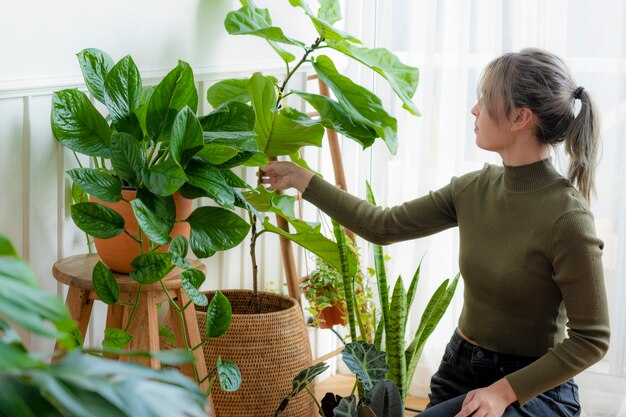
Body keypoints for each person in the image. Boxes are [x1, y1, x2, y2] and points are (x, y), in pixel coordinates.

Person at [260, 48, 610, 417]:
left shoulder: (566, 218)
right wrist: (302, 180)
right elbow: (382, 225)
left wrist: (505, 391)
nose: (474, 110)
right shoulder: (473, 189)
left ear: (520, 117)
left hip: (532, 387)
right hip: (458, 369)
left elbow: (592, 339)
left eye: (485, 100)